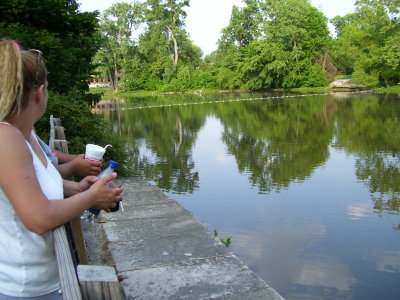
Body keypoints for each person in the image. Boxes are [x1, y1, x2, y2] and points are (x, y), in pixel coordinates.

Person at [0, 40, 123, 299]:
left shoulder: (24, 132)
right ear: (39, 92)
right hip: (28, 289)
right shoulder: (6, 137)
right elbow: (39, 218)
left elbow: (29, 186)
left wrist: (77, 188)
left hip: (47, 279)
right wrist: (90, 197)